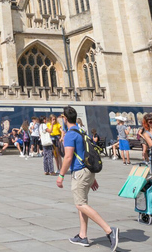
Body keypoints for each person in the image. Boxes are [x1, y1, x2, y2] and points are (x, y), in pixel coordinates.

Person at [56, 106, 118, 251]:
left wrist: (61, 175)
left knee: (80, 204)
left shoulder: (70, 134)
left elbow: (68, 157)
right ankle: (82, 236)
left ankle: (109, 230)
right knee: (82, 203)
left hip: (79, 172)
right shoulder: (81, 131)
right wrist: (91, 177)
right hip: (87, 171)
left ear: (65, 119)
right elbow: (86, 152)